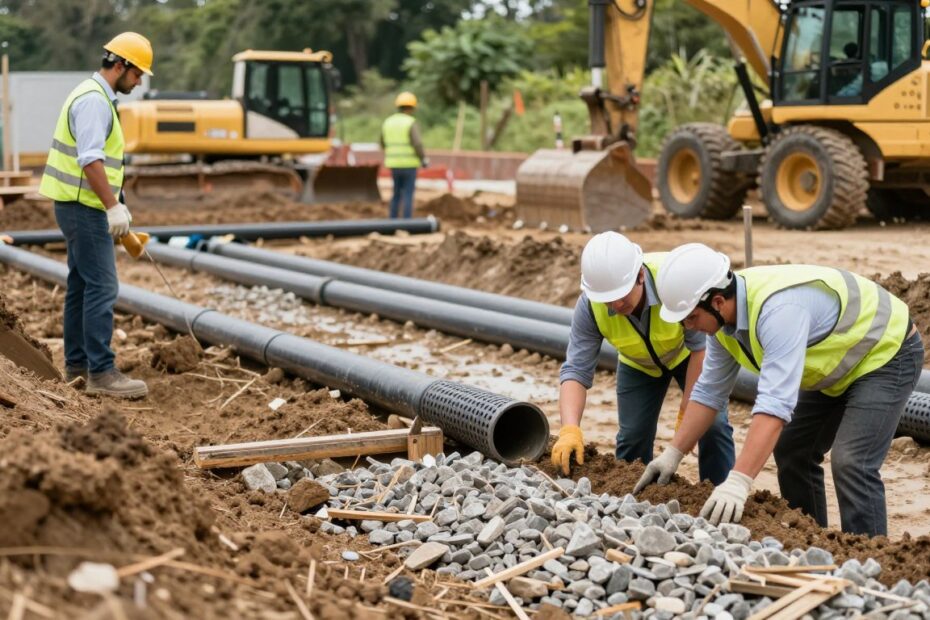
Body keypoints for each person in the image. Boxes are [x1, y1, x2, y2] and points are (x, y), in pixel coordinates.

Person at [634, 243, 922, 537]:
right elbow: (708, 392)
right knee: (793, 447)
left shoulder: (779, 312)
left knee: (852, 462)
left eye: (690, 317)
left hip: (885, 354)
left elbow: (774, 406)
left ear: (718, 301)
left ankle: (868, 562)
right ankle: (812, 540)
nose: (688, 327)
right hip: (837, 366)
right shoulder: (722, 326)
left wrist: (739, 480)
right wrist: (673, 453)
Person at [551, 232, 735, 482]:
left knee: (712, 424)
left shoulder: (671, 281)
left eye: (622, 295)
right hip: (638, 364)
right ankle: (629, 493)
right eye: (607, 299)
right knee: (632, 436)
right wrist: (569, 429)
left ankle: (718, 491)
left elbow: (701, 348)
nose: (615, 305)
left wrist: (687, 411)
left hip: (687, 355)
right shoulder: (590, 306)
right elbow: (576, 370)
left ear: (640, 276)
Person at [38, 32, 154, 399]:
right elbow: (90, 159)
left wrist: (116, 200)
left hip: (76, 206)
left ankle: (77, 365)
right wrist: (111, 206)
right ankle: (101, 373)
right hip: (84, 208)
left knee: (82, 287)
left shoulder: (93, 95)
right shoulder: (94, 102)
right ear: (120, 65)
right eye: (137, 74)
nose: (138, 83)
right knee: (102, 287)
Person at [381, 92, 427, 219]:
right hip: (409, 165)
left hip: (394, 164)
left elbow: (382, 143)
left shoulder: (388, 122)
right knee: (407, 194)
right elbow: (417, 144)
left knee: (396, 193)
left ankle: (392, 221)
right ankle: (407, 223)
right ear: (412, 108)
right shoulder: (410, 122)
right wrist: (423, 159)